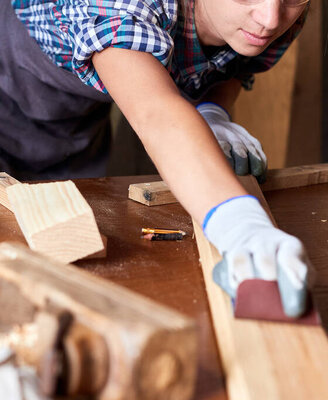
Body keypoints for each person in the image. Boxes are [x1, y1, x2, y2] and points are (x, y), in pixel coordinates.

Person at [3, 0, 311, 317]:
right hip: (7, 88)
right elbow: (155, 114)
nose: (270, 19)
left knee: (62, 238)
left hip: (74, 120)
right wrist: (241, 227)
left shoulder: (277, 16)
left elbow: (230, 66)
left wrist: (212, 112)